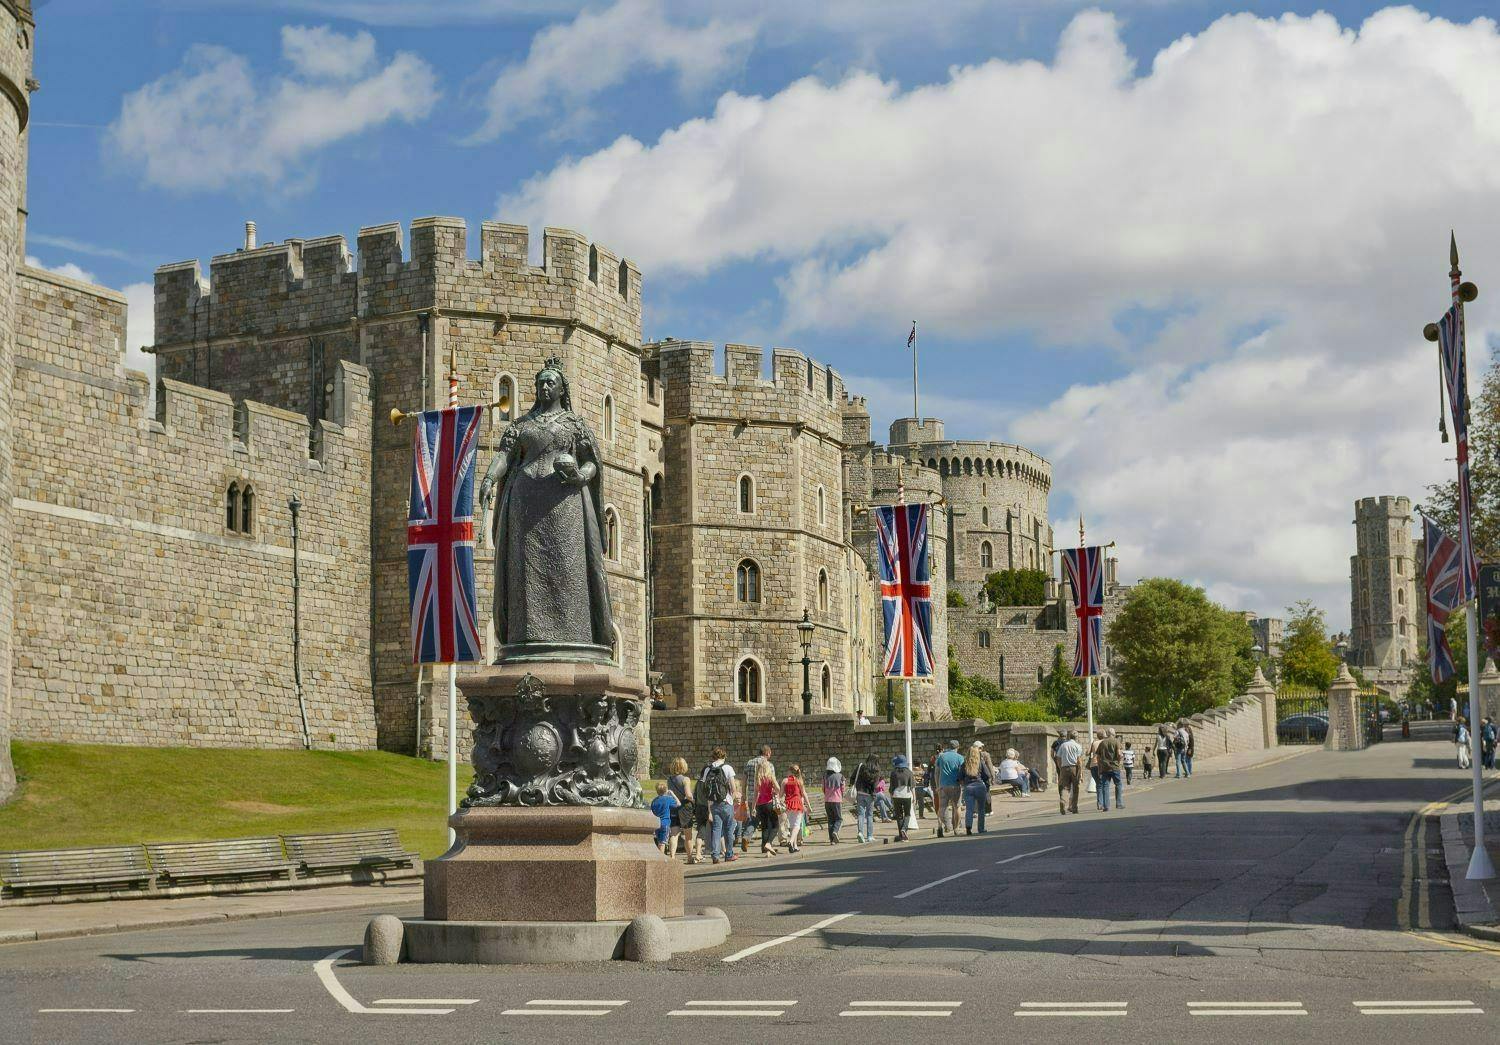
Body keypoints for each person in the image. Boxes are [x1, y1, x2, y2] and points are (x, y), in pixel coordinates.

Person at [697, 748, 736, 864]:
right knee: (728, 829)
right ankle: (729, 854)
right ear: (724, 756)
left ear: (713, 756)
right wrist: (731, 801)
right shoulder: (727, 768)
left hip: (713, 803)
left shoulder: (707, 769)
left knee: (716, 829)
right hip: (726, 802)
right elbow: (733, 788)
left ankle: (715, 855)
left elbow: (703, 787)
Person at [934, 739, 965, 837]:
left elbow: (936, 772)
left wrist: (938, 786)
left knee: (942, 807)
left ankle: (943, 825)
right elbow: (962, 772)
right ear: (958, 747)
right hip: (956, 785)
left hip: (943, 786)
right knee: (957, 807)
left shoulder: (941, 757)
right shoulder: (960, 757)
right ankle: (956, 828)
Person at [960, 744, 992, 834]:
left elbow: (960, 777)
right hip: (979, 786)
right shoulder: (980, 763)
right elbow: (987, 775)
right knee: (981, 809)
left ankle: (968, 828)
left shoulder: (964, 764)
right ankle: (981, 828)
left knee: (969, 809)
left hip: (968, 787)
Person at [666, 757, 694, 860]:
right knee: (688, 835)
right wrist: (693, 800)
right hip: (685, 807)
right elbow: (688, 795)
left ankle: (672, 856)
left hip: (673, 806)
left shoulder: (669, 779)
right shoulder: (685, 779)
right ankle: (690, 857)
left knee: (674, 834)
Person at [755, 759, 782, 856]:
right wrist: (774, 790)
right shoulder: (771, 777)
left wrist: (754, 807)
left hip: (760, 805)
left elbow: (756, 794)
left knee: (765, 827)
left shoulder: (758, 778)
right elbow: (778, 789)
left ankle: (766, 852)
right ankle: (768, 843)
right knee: (775, 826)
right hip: (769, 803)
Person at [853, 754, 880, 842]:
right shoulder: (876, 770)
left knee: (861, 814)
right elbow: (875, 785)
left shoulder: (861, 766)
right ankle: (869, 836)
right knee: (869, 815)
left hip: (860, 792)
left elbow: (853, 778)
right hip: (870, 794)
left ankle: (860, 833)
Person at [1055, 730, 1083, 814]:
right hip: (1074, 768)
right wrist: (1080, 772)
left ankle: (1063, 801)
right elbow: (1079, 761)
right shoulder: (1078, 746)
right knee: (1075, 788)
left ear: (1068, 737)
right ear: (1076, 737)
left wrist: (1060, 767)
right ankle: (1074, 808)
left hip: (1064, 768)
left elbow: (1058, 758)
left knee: (1064, 787)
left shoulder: (1063, 745)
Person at [1096, 728, 1124, 811]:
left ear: (1107, 734)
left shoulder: (1102, 743)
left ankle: (1106, 806)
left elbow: (1098, 756)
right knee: (1118, 784)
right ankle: (1119, 804)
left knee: (1105, 786)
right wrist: (1119, 761)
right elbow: (1119, 754)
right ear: (1113, 733)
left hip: (1105, 767)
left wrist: (1099, 766)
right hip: (1115, 767)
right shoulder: (1116, 741)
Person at [782, 765, 807, 853]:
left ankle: (794, 846)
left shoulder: (785, 781)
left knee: (792, 825)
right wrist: (808, 806)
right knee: (797, 825)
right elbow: (804, 794)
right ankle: (791, 841)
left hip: (788, 804)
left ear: (790, 771)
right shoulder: (799, 781)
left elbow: (781, 794)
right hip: (797, 803)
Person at [890, 755, 915, 841]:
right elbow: (912, 786)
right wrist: (914, 797)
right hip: (907, 795)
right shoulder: (909, 772)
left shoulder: (893, 773)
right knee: (907, 814)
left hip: (896, 795)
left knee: (899, 816)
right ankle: (904, 829)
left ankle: (901, 835)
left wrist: (891, 797)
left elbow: (891, 788)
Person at [650, 781, 679, 854]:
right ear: (666, 790)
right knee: (662, 843)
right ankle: (661, 860)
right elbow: (678, 804)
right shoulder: (668, 799)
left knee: (659, 842)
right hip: (665, 823)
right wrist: (673, 794)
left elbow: (652, 811)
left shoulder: (654, 801)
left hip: (656, 823)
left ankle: (660, 858)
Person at [822, 758, 846, 843]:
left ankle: (831, 840)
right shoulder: (840, 776)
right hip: (837, 801)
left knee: (830, 820)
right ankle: (835, 831)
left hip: (827, 801)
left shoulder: (825, 776)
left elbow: (823, 789)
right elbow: (843, 789)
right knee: (839, 819)